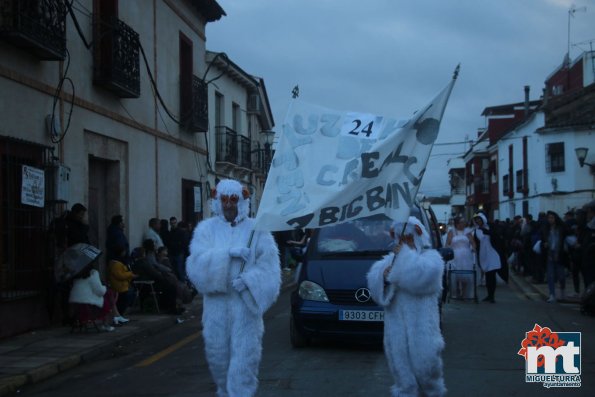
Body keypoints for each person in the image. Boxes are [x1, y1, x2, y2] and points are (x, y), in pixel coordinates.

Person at [186, 179, 281, 397]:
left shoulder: (258, 231)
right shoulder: (205, 230)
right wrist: (226, 255)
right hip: (215, 311)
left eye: (233, 200)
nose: (229, 205)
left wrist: (249, 282)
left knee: (244, 365)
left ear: (242, 200)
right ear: (217, 200)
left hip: (245, 313)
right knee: (219, 364)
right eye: (224, 200)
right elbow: (195, 267)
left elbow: (271, 271)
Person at [366, 216, 446, 397]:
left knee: (426, 369)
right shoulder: (388, 262)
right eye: (401, 239)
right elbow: (376, 288)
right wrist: (383, 278)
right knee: (402, 373)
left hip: (423, 329)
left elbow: (421, 278)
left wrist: (401, 260)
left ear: (418, 237)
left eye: (408, 238)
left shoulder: (432, 260)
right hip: (396, 329)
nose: (404, 243)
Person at [69, 264, 114, 332]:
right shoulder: (93, 272)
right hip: (87, 304)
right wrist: (105, 288)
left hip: (76, 303)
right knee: (107, 297)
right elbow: (99, 290)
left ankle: (104, 322)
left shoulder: (77, 272)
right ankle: (105, 323)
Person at [539, 210, 569, 303]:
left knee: (561, 276)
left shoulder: (561, 228)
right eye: (549, 218)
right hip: (550, 254)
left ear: (555, 218)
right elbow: (543, 240)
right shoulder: (546, 229)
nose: (550, 220)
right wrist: (544, 244)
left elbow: (566, 238)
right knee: (550, 276)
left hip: (559, 254)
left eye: (552, 217)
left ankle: (562, 292)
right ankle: (552, 294)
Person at [472, 213, 501, 303]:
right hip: (483, 254)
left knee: (492, 274)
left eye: (479, 219)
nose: (478, 221)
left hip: (492, 253)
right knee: (488, 275)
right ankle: (489, 295)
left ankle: (492, 296)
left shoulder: (490, 227)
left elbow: (496, 235)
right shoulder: (476, 231)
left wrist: (486, 231)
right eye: (476, 220)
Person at [446, 216, 476, 298]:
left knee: (465, 275)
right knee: (455, 274)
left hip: (466, 256)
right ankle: (456, 292)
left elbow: (473, 242)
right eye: (461, 222)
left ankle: (464, 292)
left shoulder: (467, 232)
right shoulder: (451, 232)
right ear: (457, 223)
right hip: (455, 255)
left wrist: (473, 248)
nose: (463, 224)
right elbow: (448, 243)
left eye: (464, 222)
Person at [107, 244, 138, 325]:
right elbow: (120, 275)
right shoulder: (116, 263)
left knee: (123, 300)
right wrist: (130, 274)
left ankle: (119, 316)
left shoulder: (119, 262)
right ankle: (118, 315)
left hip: (122, 285)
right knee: (122, 301)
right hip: (119, 286)